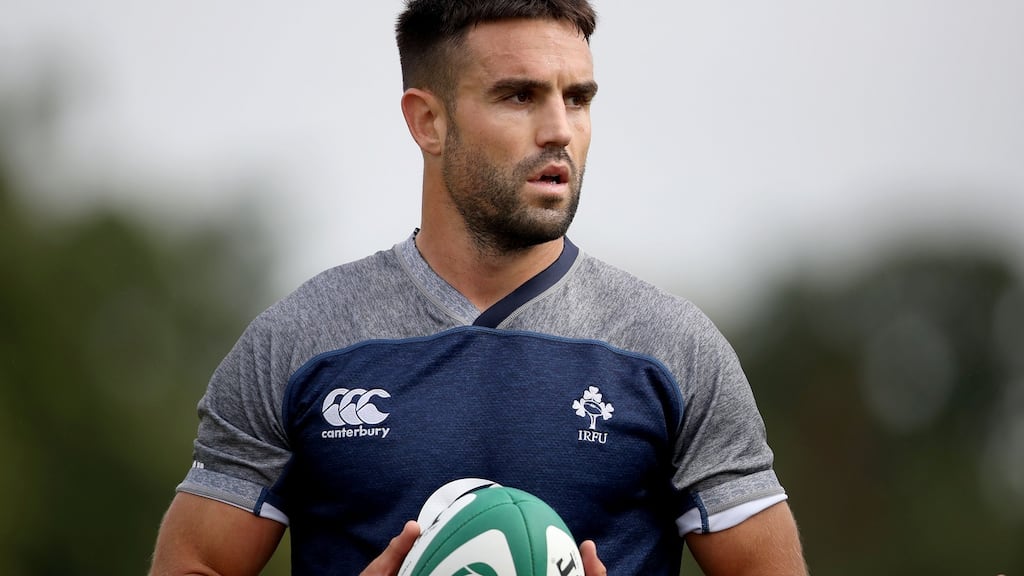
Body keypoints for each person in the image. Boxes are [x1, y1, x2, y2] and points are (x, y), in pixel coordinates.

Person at [149, 1, 808, 574]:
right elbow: (194, 563)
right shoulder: (299, 342)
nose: (559, 130)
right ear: (427, 122)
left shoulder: (672, 349)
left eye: (577, 99)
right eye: (519, 96)